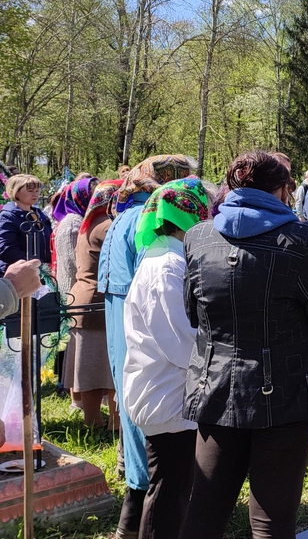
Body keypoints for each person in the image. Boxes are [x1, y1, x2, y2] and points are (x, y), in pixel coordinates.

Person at [178, 151, 308, 538]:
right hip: (286, 394)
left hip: (216, 386)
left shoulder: (198, 237)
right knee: (272, 521)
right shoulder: (304, 239)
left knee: (205, 511)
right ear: (283, 190)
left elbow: (194, 315)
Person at [99, 154, 195, 537]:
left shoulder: (123, 216)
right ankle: (146, 517)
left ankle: (134, 516)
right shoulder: (152, 224)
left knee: (136, 418)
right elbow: (165, 303)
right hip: (151, 333)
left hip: (126, 325)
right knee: (162, 454)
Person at [123, 178, 210, 539]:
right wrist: (215, 359)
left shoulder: (164, 256)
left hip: (168, 390)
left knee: (174, 489)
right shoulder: (166, 268)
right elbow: (179, 340)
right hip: (166, 393)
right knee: (168, 494)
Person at [69, 179, 123, 430]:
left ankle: (94, 420)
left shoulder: (90, 223)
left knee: (92, 366)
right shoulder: (107, 225)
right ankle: (107, 421)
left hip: (83, 296)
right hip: (97, 301)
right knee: (102, 366)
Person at [53, 177, 97, 408]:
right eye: (90, 193)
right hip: (71, 288)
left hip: (75, 287)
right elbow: (74, 261)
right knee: (73, 346)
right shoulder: (72, 223)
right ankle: (75, 399)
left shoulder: (78, 220)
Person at [0, 174, 53, 274]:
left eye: (37, 190)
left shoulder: (40, 214)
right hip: (18, 275)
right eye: (30, 191)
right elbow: (6, 249)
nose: (35, 194)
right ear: (16, 192)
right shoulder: (7, 216)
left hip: (43, 273)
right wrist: (34, 265)